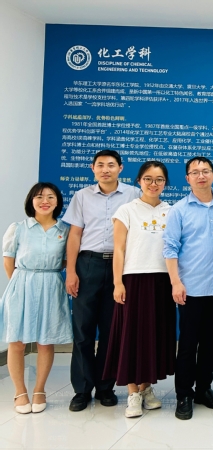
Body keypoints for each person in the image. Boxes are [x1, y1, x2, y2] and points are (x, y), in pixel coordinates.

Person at [63, 149, 140, 412]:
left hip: (121, 267)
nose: (105, 169)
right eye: (100, 165)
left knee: (111, 330)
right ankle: (82, 390)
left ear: (120, 168)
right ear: (93, 168)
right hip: (88, 264)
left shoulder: (134, 194)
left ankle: (106, 387)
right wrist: (71, 271)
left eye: (111, 165)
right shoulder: (81, 196)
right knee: (83, 330)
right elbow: (75, 235)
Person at [163, 156, 213, 420]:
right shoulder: (179, 210)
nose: (201, 176)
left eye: (205, 171)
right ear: (187, 178)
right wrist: (175, 282)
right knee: (188, 344)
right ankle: (184, 394)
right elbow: (170, 247)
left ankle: (204, 389)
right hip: (191, 289)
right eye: (195, 172)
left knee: (211, 344)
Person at [103, 161, 174, 418]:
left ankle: (146, 387)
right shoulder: (126, 210)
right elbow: (119, 249)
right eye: (148, 179)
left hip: (163, 280)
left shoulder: (172, 211)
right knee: (131, 336)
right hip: (133, 279)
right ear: (139, 181)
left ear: (165, 183)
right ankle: (132, 393)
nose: (153, 184)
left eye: (159, 179)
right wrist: (118, 282)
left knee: (155, 335)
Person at [2, 183, 72, 414]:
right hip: (21, 284)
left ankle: (39, 389)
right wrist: (22, 284)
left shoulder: (65, 230)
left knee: (46, 340)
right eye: (39, 197)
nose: (45, 201)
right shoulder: (18, 228)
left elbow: (67, 260)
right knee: (16, 341)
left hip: (51, 285)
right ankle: (20, 391)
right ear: (31, 201)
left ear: (57, 202)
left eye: (51, 197)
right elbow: (9, 261)